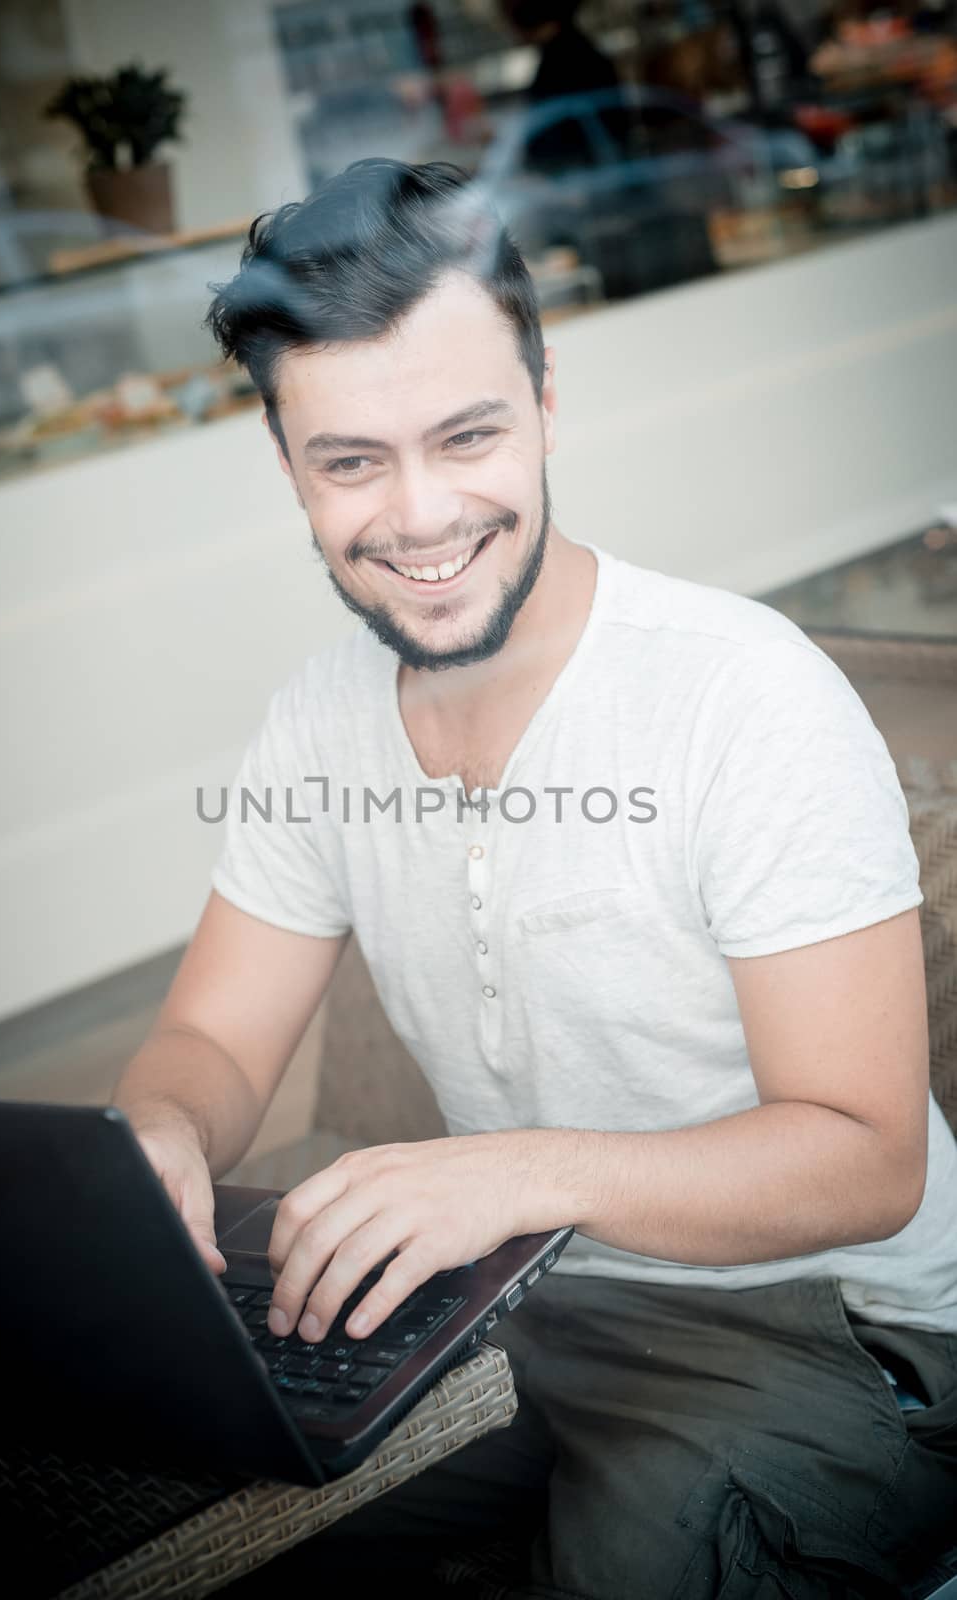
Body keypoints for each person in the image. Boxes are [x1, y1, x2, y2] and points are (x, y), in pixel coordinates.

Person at [111, 158, 957, 1597]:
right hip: (503, 1309)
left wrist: (513, 1178)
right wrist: (158, 1135)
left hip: (827, 1327)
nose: (422, 516)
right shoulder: (318, 719)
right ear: (290, 471)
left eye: (468, 436)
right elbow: (209, 1040)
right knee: (162, 1534)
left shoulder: (741, 695)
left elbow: (866, 1156)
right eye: (352, 461)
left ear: (548, 405)